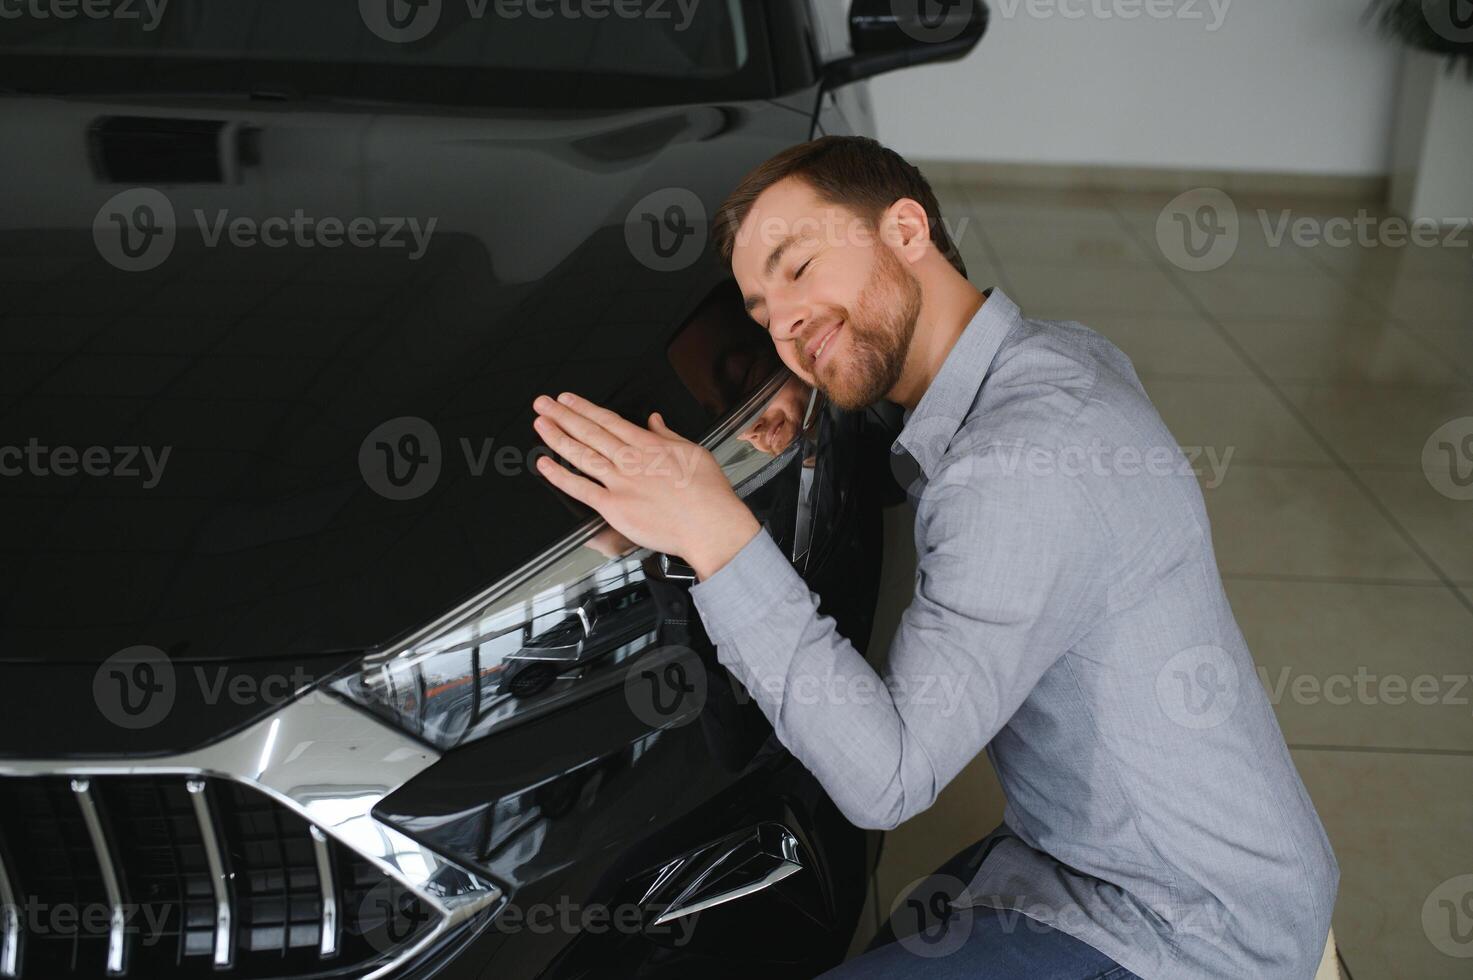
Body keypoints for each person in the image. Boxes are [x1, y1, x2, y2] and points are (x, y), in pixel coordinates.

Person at [530, 135, 1337, 979]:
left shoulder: (1016, 465)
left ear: (906, 229)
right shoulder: (1056, 355)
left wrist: (713, 534)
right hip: (1135, 859)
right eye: (763, 315)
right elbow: (930, 439)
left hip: (1181, 924)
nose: (785, 328)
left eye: (798, 267)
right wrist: (816, 397)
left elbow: (892, 779)